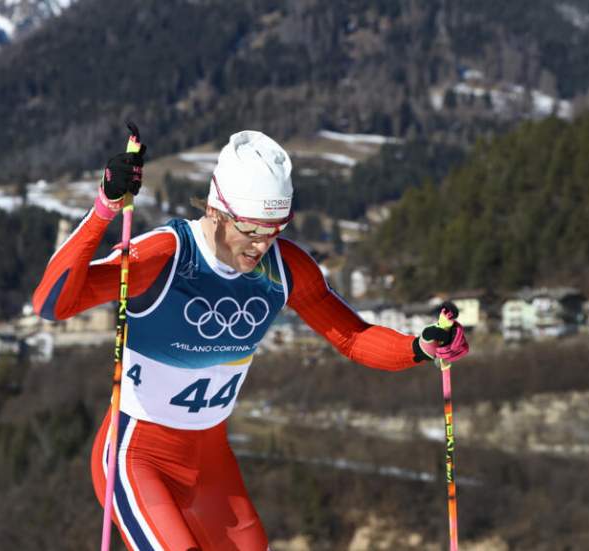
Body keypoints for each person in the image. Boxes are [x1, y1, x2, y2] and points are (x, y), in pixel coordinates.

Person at [32, 130, 469, 551]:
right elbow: (52, 303)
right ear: (216, 211)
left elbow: (353, 336)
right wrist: (105, 209)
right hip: (136, 459)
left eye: (275, 229)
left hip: (211, 462)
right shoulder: (167, 255)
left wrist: (421, 347)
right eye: (251, 230)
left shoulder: (284, 269)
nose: (261, 245)